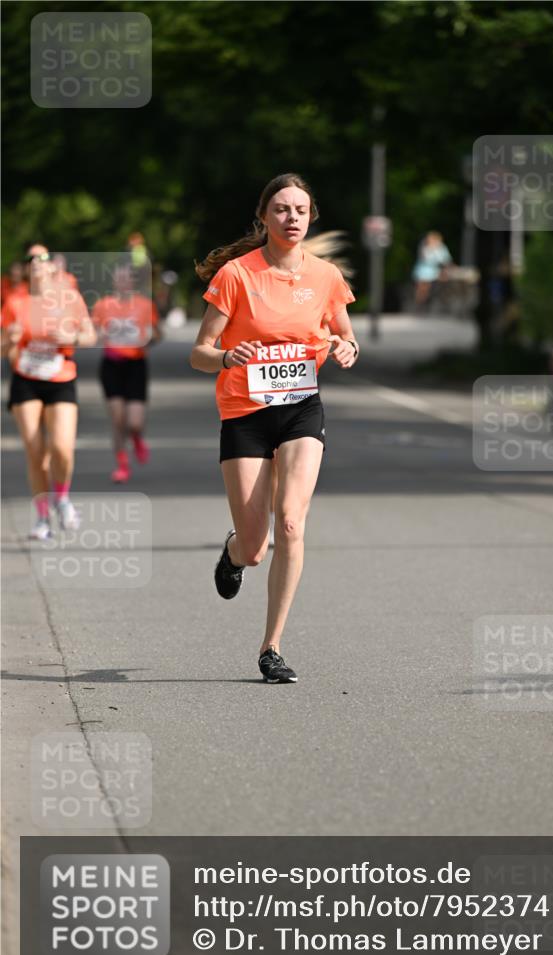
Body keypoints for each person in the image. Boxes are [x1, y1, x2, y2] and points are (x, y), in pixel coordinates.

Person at [191, 173, 358, 683]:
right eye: (282, 209)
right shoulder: (237, 276)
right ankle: (234, 551)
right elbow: (198, 352)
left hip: (302, 408)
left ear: (311, 218)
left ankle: (272, 647)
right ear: (264, 216)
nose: (292, 218)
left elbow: (344, 335)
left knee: (291, 522)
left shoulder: (326, 276)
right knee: (257, 545)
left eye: (301, 211)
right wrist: (224, 357)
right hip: (245, 411)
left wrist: (348, 347)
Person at [1, 243, 96, 538]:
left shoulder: (70, 298)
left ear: (53, 266)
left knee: (62, 449)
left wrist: (71, 336)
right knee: (35, 450)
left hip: (61, 377)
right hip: (26, 379)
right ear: (27, 269)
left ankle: (62, 497)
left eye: (43, 258)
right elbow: (2, 346)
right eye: (31, 259)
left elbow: (90, 335)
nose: (37, 263)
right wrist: (10, 341)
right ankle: (42, 518)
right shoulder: (16, 301)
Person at [92, 264, 161, 482]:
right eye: (119, 278)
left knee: (135, 422)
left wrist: (150, 338)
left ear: (133, 283)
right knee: (118, 419)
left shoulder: (145, 305)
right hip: (111, 365)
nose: (123, 283)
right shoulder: (103, 305)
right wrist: (98, 334)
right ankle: (122, 465)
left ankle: (137, 438)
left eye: (127, 279)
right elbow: (92, 333)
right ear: (113, 282)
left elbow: (158, 333)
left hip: (136, 365)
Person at [412, 231, 452, 309]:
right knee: (423, 288)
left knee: (446, 283)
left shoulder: (442, 248)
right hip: (423, 272)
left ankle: (442, 304)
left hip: (437, 272)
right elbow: (425, 259)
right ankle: (420, 306)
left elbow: (446, 260)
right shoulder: (424, 247)